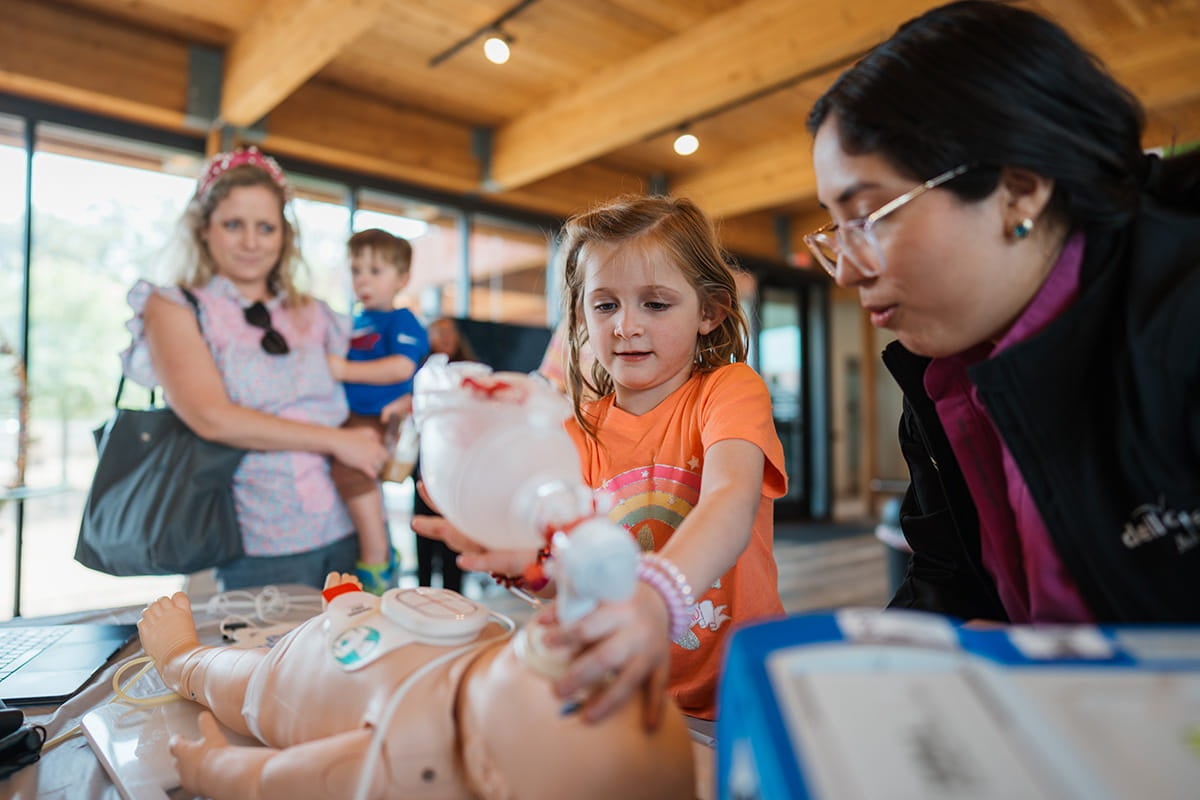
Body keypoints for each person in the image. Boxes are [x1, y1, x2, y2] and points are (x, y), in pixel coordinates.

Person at [804, 0, 1200, 624]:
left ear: (1019, 189)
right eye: (836, 229)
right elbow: (946, 575)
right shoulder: (944, 368)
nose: (849, 269)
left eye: (868, 218)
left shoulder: (1179, 319)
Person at [415, 194, 788, 724]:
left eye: (655, 304)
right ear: (580, 316)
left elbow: (731, 499)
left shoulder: (729, 390)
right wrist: (530, 568)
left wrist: (657, 594)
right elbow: (577, 572)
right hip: (627, 692)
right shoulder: (572, 432)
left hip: (744, 687)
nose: (625, 326)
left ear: (710, 312)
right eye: (606, 304)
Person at [135, 575, 695, 800]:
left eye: (574, 696)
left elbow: (269, 780)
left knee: (222, 675)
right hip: (374, 621)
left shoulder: (403, 760)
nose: (584, 661)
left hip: (283, 677)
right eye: (614, 673)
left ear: (487, 771)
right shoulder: (499, 655)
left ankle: (181, 658)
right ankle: (347, 601)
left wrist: (209, 770)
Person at [122, 146, 389, 591]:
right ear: (203, 228)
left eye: (265, 227)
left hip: (348, 528)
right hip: (255, 544)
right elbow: (211, 416)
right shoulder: (176, 307)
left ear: (284, 236)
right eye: (233, 225)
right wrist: (339, 440)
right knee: (269, 661)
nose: (251, 242)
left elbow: (359, 391)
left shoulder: (315, 312)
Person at [326, 229, 429, 594]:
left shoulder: (401, 320)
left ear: (401, 279)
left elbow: (401, 367)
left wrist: (343, 370)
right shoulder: (355, 321)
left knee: (352, 474)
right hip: (351, 413)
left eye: (375, 270)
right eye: (356, 270)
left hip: (378, 415)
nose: (363, 280)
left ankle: (377, 560)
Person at [411, 317, 477, 593]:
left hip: (458, 470)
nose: (446, 338)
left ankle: (455, 601)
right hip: (426, 465)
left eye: (450, 333)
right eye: (439, 333)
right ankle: (421, 596)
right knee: (424, 539)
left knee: (455, 539)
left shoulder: (472, 373)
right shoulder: (419, 371)